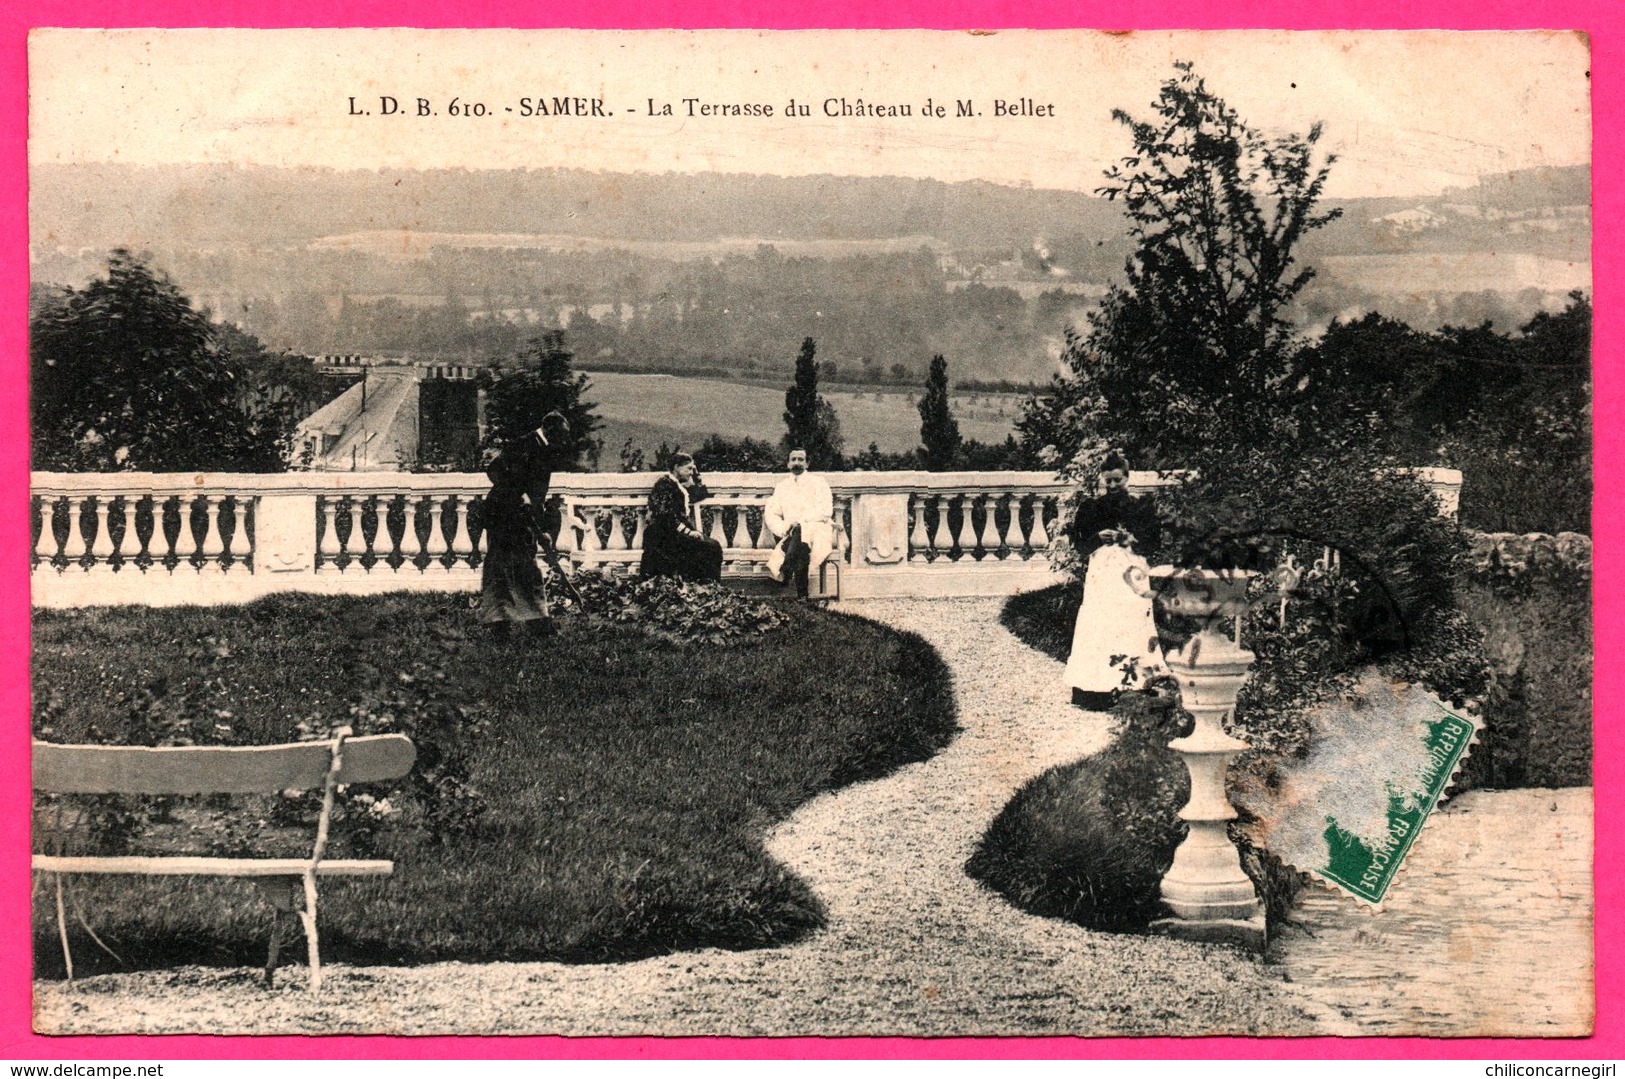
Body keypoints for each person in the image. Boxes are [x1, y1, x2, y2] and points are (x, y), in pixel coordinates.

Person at [1062, 451, 1165, 710]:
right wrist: (1098, 537)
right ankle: (1096, 687)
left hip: (1132, 569)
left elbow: (1153, 543)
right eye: (1107, 481)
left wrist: (1125, 537)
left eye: (1117, 480)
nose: (1112, 486)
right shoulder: (1090, 508)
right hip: (1103, 572)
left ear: (1127, 478)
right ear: (1101, 480)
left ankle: (1137, 684)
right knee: (1101, 622)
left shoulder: (1140, 507)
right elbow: (1081, 546)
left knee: (1132, 618)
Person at [479, 411, 571, 639]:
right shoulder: (524, 444)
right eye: (561, 435)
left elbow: (538, 495)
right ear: (550, 430)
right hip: (503, 516)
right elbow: (495, 471)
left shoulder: (544, 449)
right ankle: (504, 625)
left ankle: (534, 622)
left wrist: (543, 529)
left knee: (524, 567)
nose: (564, 441)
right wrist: (519, 494)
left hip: (520, 519)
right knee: (503, 568)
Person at [639, 452, 723, 582]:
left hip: (673, 532)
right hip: (663, 535)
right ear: (677, 467)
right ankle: (704, 585)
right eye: (688, 468)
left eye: (693, 469)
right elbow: (665, 516)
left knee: (711, 546)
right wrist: (689, 532)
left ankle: (705, 585)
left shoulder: (677, 485)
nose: (691, 472)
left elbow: (700, 494)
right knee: (710, 547)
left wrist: (697, 476)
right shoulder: (664, 485)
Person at [764, 447, 835, 599]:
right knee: (799, 541)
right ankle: (802, 596)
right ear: (788, 464)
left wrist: (802, 522)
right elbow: (772, 513)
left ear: (807, 463)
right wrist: (783, 529)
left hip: (817, 530)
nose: (797, 463)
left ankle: (786, 569)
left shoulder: (819, 483)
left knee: (801, 533)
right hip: (791, 535)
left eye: (800, 459)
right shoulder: (782, 486)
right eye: (793, 459)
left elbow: (826, 510)